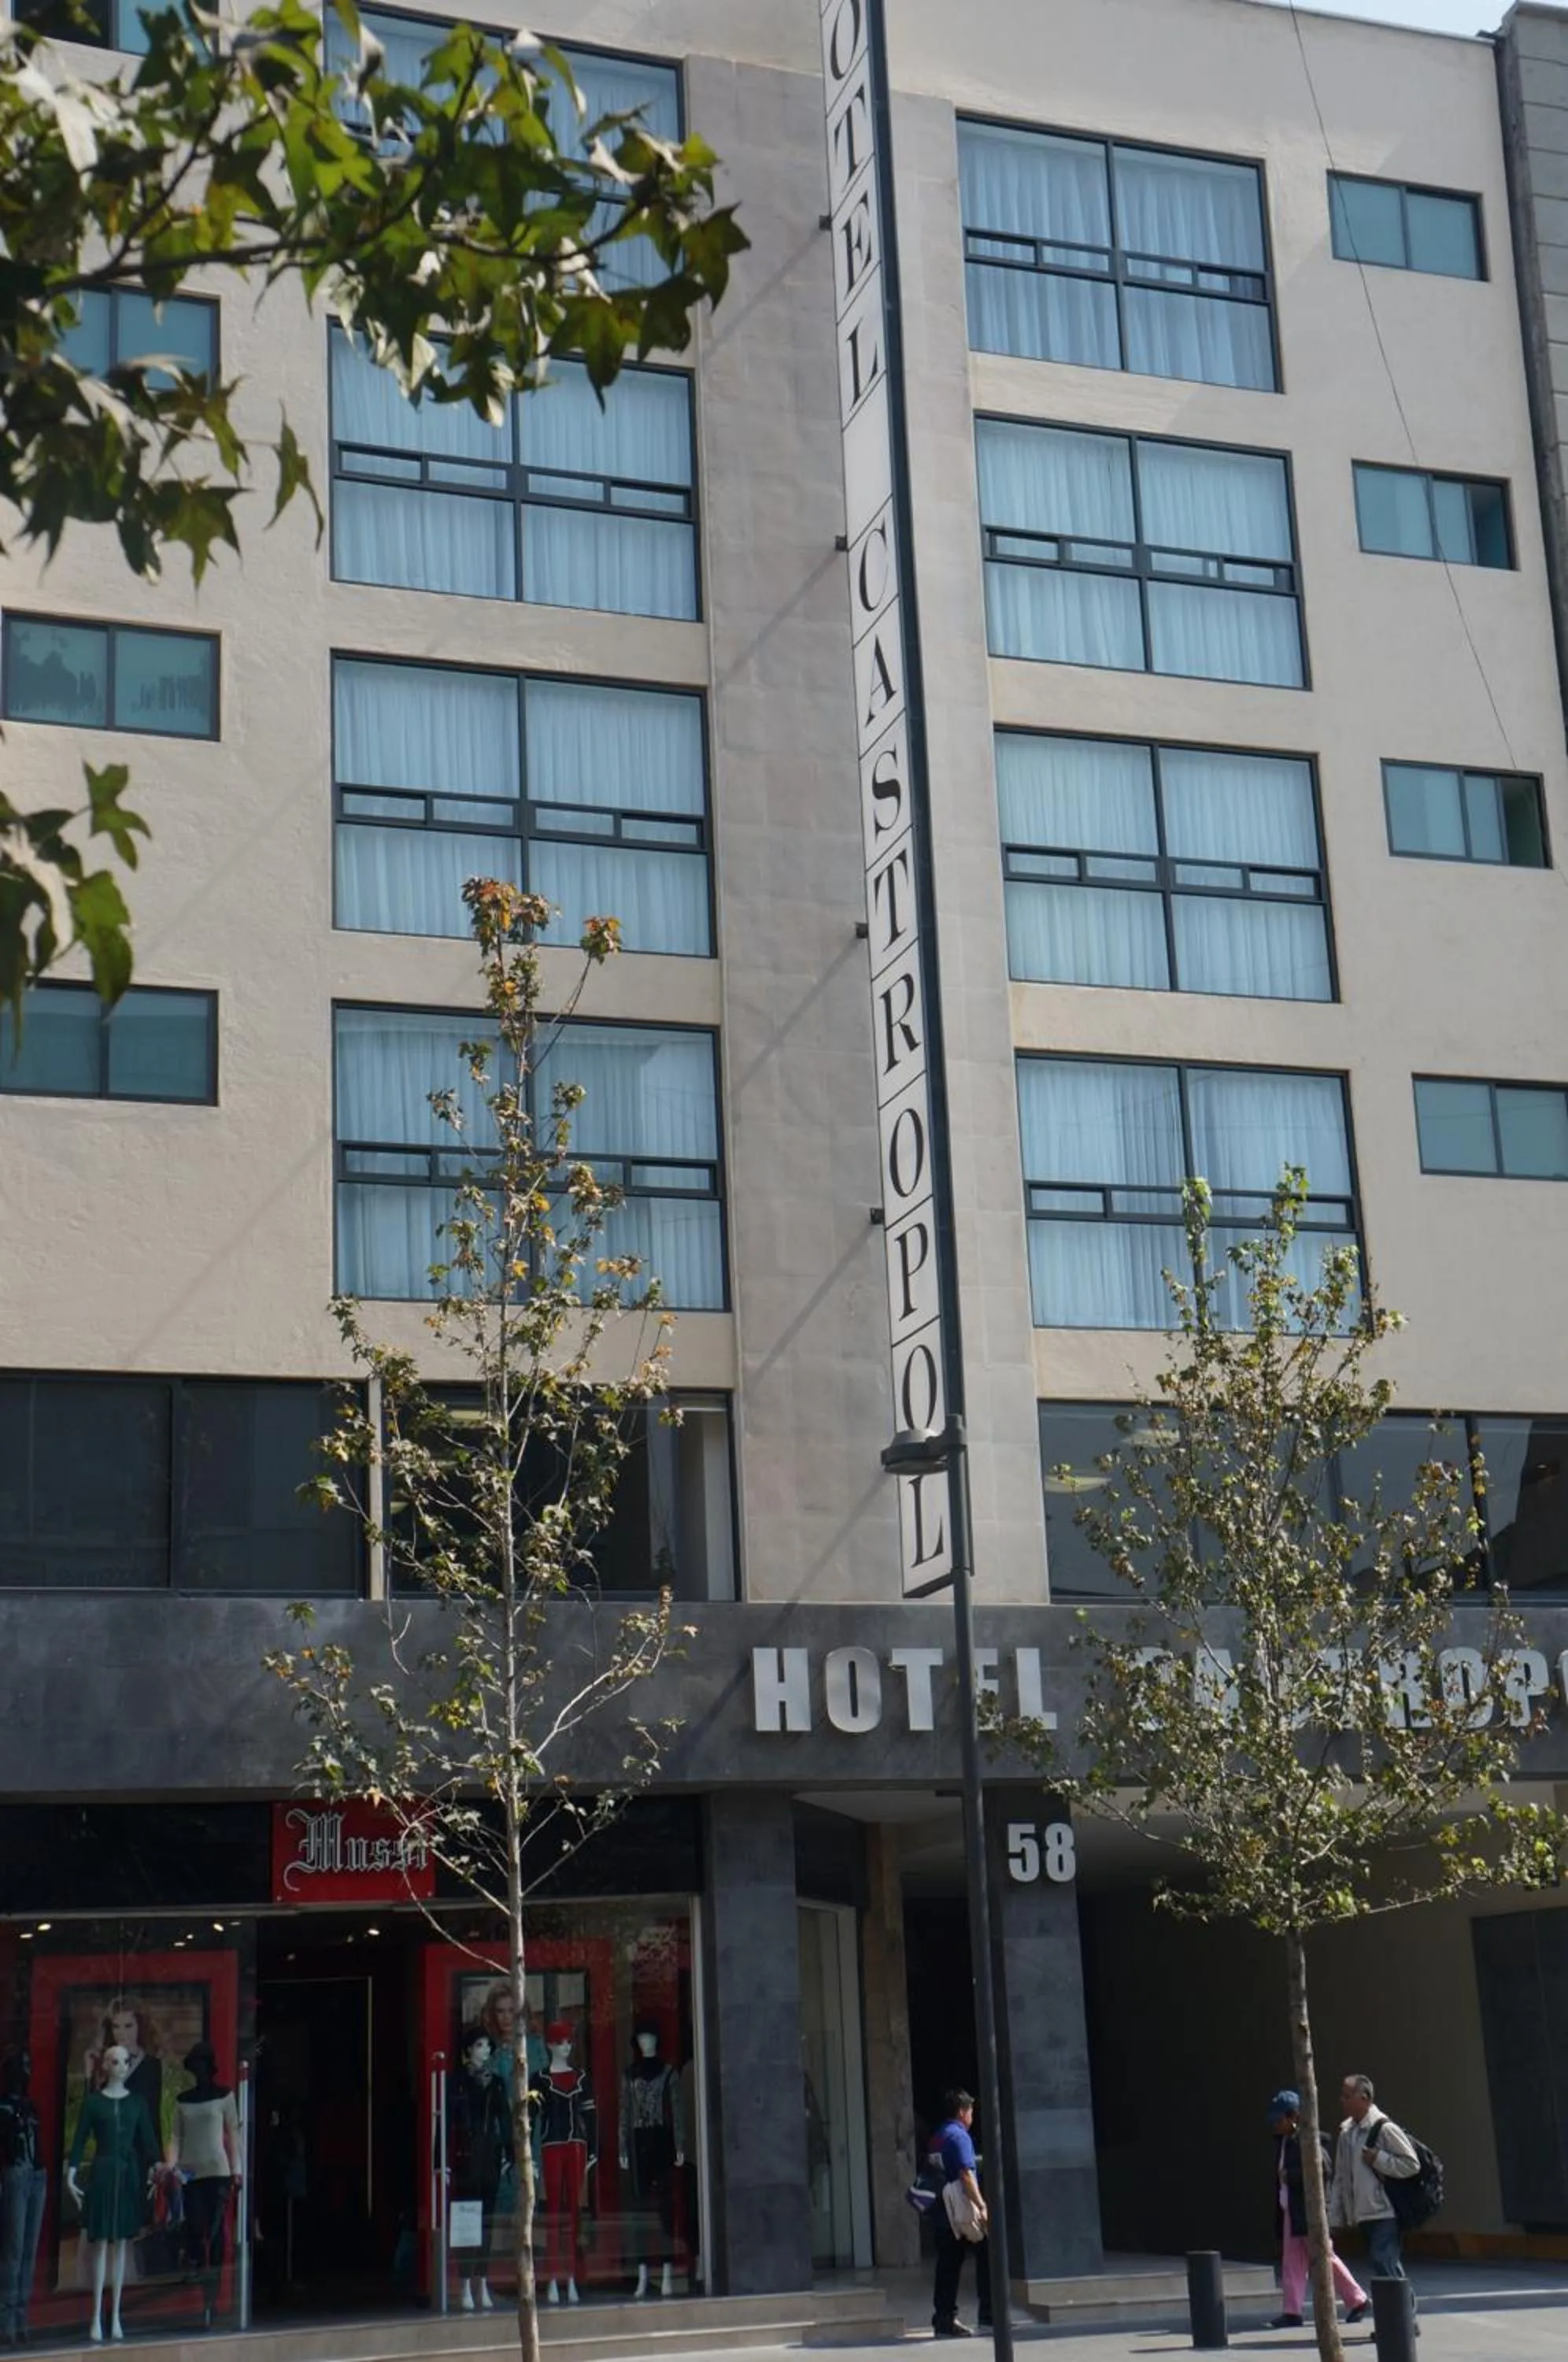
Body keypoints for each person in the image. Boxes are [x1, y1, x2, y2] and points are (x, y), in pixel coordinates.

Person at [1267, 2090, 1368, 2329]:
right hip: (1292, 2210)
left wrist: (1291, 2176)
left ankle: (1358, 2299)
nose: (1275, 2124)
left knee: (1324, 2258)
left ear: (1293, 2117)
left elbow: (1323, 2170)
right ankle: (1292, 2310)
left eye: (1278, 2119)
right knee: (1292, 2261)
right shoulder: (1286, 2142)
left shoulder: (1307, 2140)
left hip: (1307, 2211)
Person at [1330, 2074, 1420, 2312]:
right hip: (1363, 2213)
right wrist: (1335, 2216)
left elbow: (1411, 2164)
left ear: (1364, 2098)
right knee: (1387, 2266)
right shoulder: (1346, 2134)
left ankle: (1400, 2323)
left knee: (1384, 2264)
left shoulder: (1384, 2128)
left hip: (1385, 2211)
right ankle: (1402, 2320)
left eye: (1347, 2096)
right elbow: (1340, 2178)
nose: (1342, 2101)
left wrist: (1379, 2159)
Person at [930, 2089, 991, 2342]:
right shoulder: (959, 2137)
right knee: (988, 2252)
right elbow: (966, 2174)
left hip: (943, 2213)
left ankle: (944, 2318)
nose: (972, 2117)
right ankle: (990, 2313)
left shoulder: (938, 2136)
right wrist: (982, 2205)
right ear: (962, 2112)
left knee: (947, 2265)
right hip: (961, 2211)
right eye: (971, 2112)